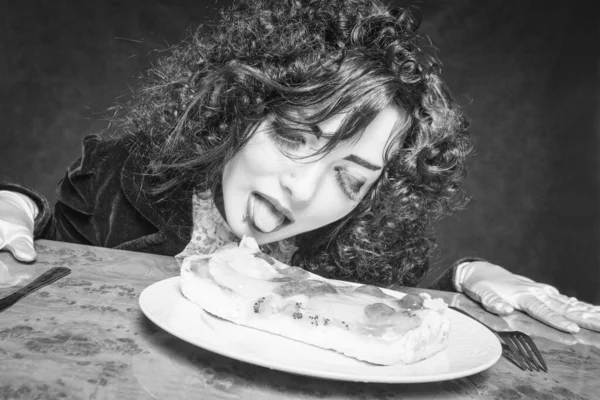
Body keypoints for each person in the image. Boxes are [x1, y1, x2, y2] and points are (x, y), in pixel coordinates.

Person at [1, 0, 599, 333]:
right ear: (237, 108)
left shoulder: (345, 250)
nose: (304, 189)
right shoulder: (120, 177)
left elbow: (394, 306)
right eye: (294, 136)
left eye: (349, 177)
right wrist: (14, 204)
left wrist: (472, 277)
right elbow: (51, 249)